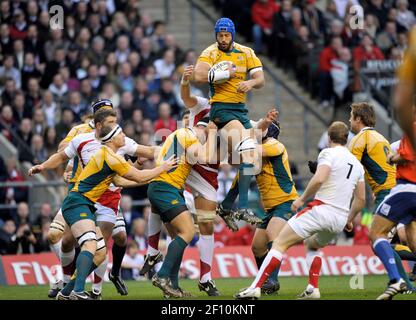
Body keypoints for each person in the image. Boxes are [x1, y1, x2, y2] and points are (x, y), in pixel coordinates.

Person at [29, 120, 176, 300]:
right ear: (113, 138)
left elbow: (122, 182)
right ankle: (76, 290)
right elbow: (137, 176)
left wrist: (152, 178)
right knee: (87, 245)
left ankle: (67, 292)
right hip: (78, 202)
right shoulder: (110, 157)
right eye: (120, 133)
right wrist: (162, 168)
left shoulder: (108, 154)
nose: (124, 136)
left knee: (97, 252)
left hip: (83, 203)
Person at [235, 122, 365, 300]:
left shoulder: (328, 152)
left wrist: (302, 199)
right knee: (313, 245)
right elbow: (361, 199)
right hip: (340, 219)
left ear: (328, 137)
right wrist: (350, 218)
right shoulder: (357, 164)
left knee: (279, 243)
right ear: (346, 139)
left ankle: (255, 288)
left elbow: (319, 179)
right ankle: (313, 289)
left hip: (321, 210)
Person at [193, 17, 265, 223]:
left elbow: (261, 79)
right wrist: (220, 73)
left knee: (252, 161)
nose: (223, 39)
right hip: (221, 110)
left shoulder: (246, 52)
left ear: (232, 35)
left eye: (226, 35)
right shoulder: (210, 52)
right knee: (249, 154)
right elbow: (198, 76)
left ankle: (226, 206)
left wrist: (250, 83)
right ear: (216, 35)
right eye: (220, 35)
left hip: (241, 110)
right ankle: (241, 208)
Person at [222, 117, 298, 295]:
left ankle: (272, 281)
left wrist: (237, 137)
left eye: (261, 128)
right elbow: (241, 174)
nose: (257, 130)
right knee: (257, 247)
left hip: (286, 203)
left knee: (273, 235)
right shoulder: (256, 154)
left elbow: (248, 151)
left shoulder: (274, 145)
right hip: (271, 209)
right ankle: (265, 282)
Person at [148, 118, 218, 298]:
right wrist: (212, 133)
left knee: (176, 237)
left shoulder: (177, 135)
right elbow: (205, 157)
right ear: (202, 129)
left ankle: (173, 287)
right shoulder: (189, 136)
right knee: (188, 233)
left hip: (161, 187)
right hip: (167, 188)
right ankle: (162, 276)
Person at [370, 109, 416, 300]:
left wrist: (392, 158)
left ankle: (396, 279)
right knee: (411, 239)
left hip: (407, 188)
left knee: (376, 233)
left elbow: (406, 156)